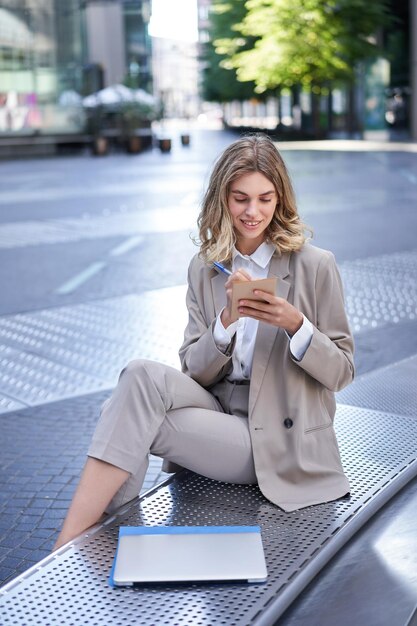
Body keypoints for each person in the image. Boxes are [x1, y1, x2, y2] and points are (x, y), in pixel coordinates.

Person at [54, 134, 354, 550]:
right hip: (217, 409)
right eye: (240, 199)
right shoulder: (206, 268)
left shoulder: (315, 265)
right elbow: (193, 370)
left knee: (119, 415)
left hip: (274, 437)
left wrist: (297, 326)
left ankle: (78, 545)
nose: (253, 212)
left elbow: (342, 371)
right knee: (138, 375)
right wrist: (225, 322)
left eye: (265, 199)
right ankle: (85, 539)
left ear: (280, 199)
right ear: (222, 199)